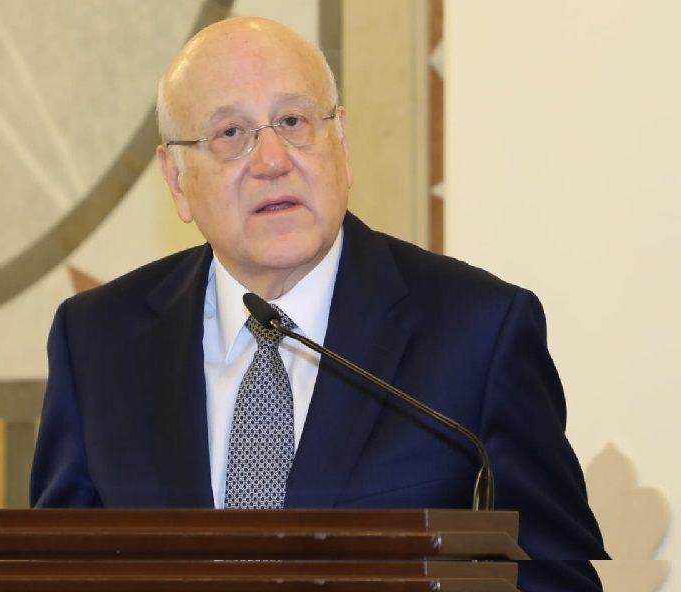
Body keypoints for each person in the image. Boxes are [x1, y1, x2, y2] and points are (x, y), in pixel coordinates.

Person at [31, 16, 608, 590]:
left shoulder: (478, 333)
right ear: (177, 179)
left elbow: (555, 579)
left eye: (293, 121)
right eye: (230, 133)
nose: (272, 160)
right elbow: (54, 574)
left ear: (342, 143)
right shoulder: (96, 344)